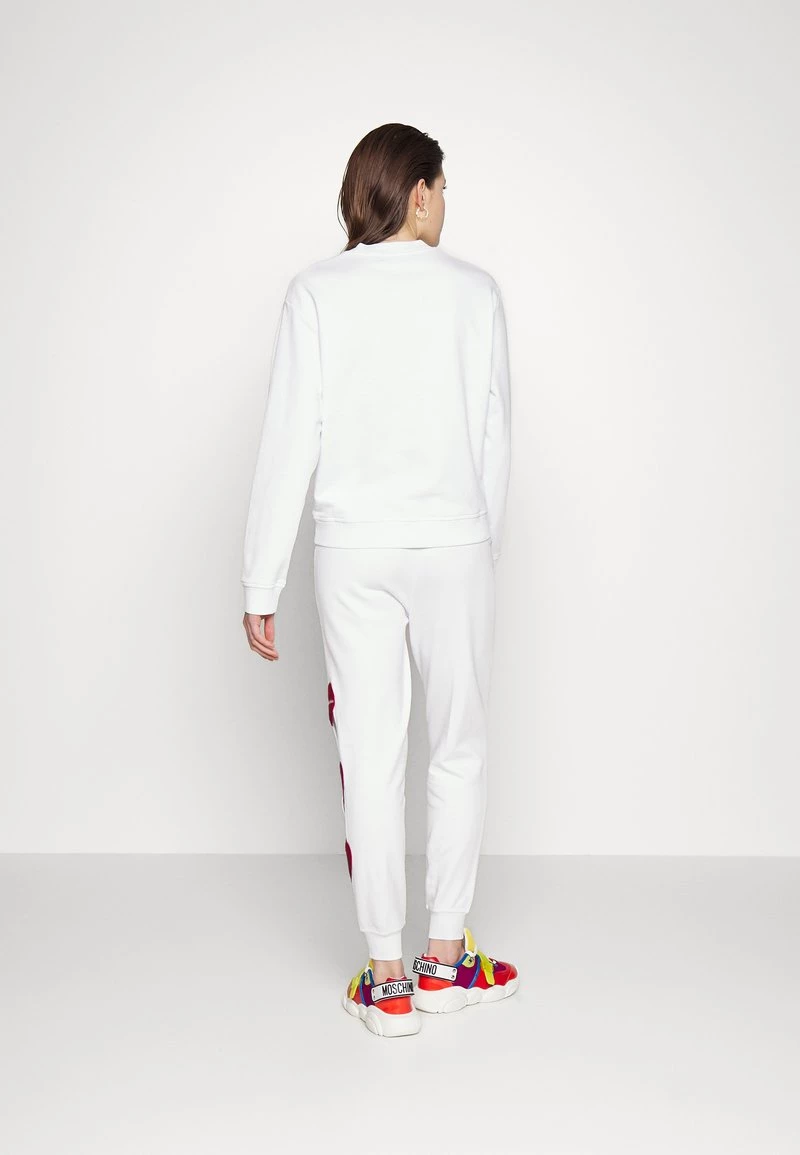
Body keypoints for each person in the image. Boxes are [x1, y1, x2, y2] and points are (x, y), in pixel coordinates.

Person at [241, 123, 519, 1037]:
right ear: (421, 191)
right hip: (453, 546)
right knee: (458, 746)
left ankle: (388, 976)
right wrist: (480, 546)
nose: (446, 205)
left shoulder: (316, 291)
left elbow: (291, 434)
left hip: (352, 550)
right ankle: (445, 959)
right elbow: (495, 437)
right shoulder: (475, 291)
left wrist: (261, 580)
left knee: (370, 750)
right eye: (444, 188)